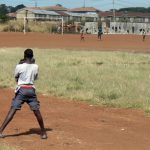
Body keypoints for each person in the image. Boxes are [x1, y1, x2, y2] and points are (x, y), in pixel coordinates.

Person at [0, 49, 47, 139]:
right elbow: (35, 78)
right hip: (31, 90)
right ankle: (43, 132)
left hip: (21, 90)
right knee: (37, 112)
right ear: (32, 56)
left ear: (24, 56)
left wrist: (21, 63)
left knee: (12, 110)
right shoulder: (36, 66)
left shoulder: (19, 66)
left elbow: (16, 77)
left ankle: (0, 131)